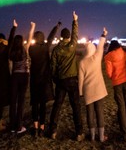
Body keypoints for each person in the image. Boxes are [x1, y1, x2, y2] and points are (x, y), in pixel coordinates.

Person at [48, 11, 84, 141]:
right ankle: (79, 132)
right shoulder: (72, 46)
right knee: (76, 107)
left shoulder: (56, 50)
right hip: (72, 80)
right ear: (68, 37)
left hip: (61, 81)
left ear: (61, 37)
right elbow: (75, 35)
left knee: (57, 106)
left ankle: (52, 130)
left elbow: (53, 66)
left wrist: (55, 78)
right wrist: (75, 20)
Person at [28, 21, 61, 137]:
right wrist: (56, 27)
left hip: (34, 81)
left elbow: (30, 39)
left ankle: (35, 127)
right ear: (42, 39)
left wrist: (32, 29)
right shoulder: (46, 48)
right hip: (44, 81)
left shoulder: (31, 50)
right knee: (42, 104)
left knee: (35, 104)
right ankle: (42, 127)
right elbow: (51, 37)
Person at [78, 28, 109, 142]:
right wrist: (103, 34)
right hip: (99, 90)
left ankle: (91, 137)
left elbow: (80, 79)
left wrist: (81, 93)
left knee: (89, 113)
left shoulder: (82, 62)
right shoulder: (96, 58)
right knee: (99, 112)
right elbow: (101, 46)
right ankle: (101, 137)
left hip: (88, 91)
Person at [104, 38, 126, 143]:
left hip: (117, 84)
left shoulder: (108, 57)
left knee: (121, 108)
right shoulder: (122, 52)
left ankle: (125, 134)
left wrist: (114, 76)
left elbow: (109, 74)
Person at [8, 19, 36, 134]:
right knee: (21, 101)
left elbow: (10, 39)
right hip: (24, 76)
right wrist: (32, 27)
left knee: (13, 101)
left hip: (14, 76)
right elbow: (30, 37)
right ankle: (19, 126)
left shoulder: (11, 50)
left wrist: (14, 27)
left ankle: (12, 126)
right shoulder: (25, 49)